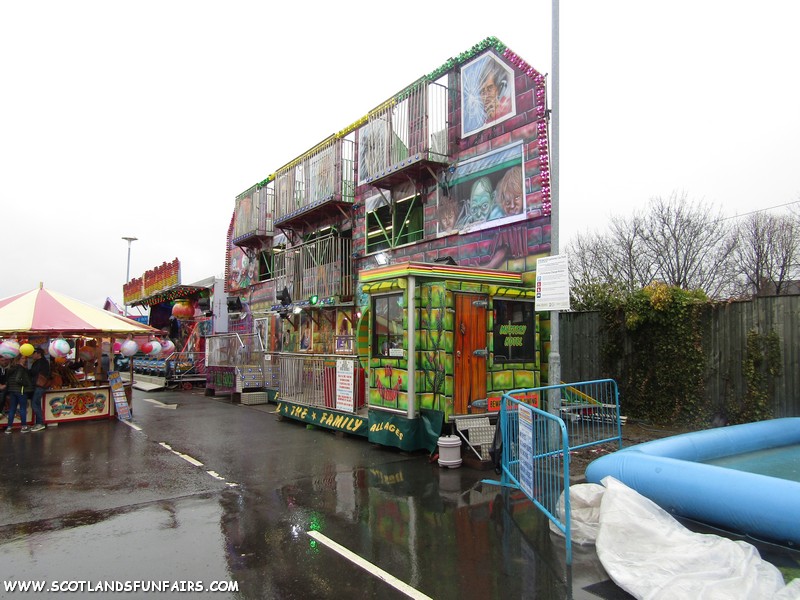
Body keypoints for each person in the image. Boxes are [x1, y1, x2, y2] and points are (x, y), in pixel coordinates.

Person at [478, 60, 512, 124]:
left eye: (490, 89)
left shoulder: (509, 107)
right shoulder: (486, 120)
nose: (486, 96)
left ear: (500, 87)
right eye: (482, 92)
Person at [5, 355, 32, 433]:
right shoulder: (20, 368)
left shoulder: (11, 369)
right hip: (21, 390)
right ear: (18, 360)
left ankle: (9, 427)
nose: (25, 360)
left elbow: (9, 379)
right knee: (22, 408)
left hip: (12, 390)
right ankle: (24, 426)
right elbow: (18, 379)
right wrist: (26, 384)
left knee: (12, 409)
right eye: (23, 358)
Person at [27, 347, 49, 431]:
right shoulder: (40, 362)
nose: (32, 355)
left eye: (34, 353)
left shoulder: (42, 363)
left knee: (34, 404)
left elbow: (35, 372)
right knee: (37, 404)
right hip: (38, 385)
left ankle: (40, 423)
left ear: (38, 354)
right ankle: (38, 422)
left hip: (39, 385)